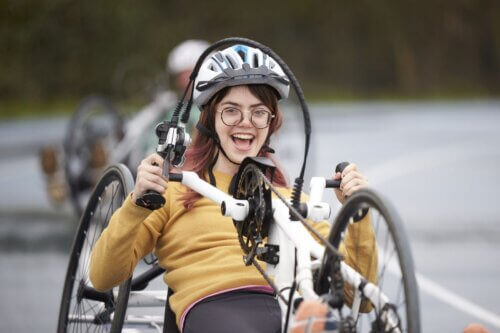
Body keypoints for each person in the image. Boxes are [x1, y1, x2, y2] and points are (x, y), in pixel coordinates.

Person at [89, 44, 376, 333]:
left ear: (271, 122)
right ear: (209, 118)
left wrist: (358, 215)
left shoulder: (291, 201)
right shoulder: (174, 191)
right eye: (231, 111)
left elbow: (360, 300)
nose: (246, 123)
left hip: (289, 306)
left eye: (259, 112)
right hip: (213, 304)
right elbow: (102, 277)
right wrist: (137, 203)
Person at [39, 39, 210, 206]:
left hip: (163, 166)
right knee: (112, 157)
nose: (182, 80)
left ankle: (89, 176)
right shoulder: (172, 103)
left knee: (122, 171)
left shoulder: (205, 109)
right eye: (180, 75)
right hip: (142, 157)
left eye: (187, 73)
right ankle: (66, 179)